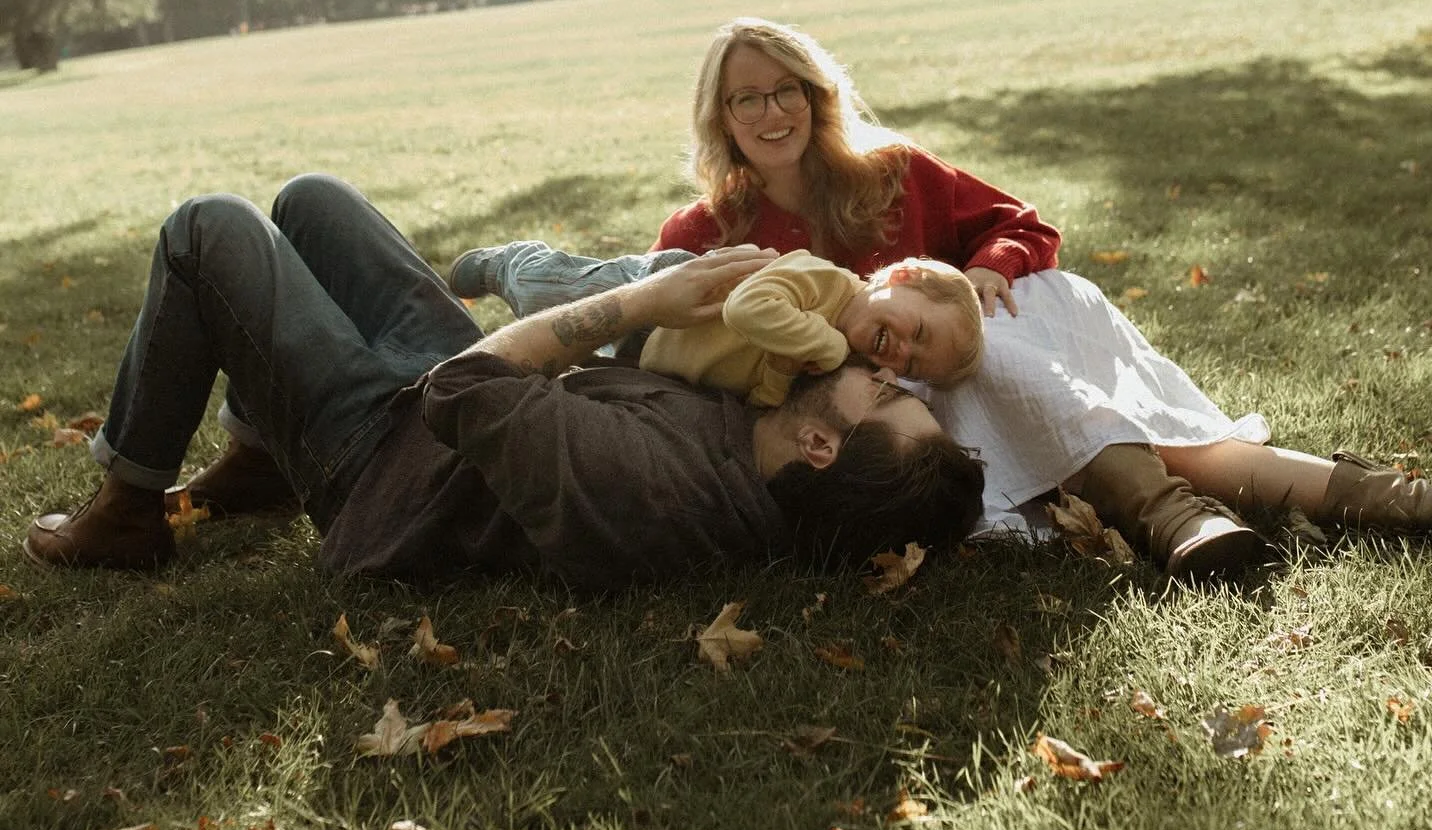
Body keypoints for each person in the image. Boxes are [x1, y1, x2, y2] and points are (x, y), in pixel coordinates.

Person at [450, 17, 1432, 582]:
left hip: (971, 370)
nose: (770, 112)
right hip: (895, 426)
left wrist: (984, 273)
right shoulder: (701, 235)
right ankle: (1214, 509)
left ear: (815, 93)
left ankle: (1255, 513)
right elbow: (709, 389)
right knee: (996, 372)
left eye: (785, 88)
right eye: (745, 100)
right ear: (722, 119)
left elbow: (1023, 227)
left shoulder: (892, 172)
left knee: (1002, 341)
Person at [22, 175, 985, 587]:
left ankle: (126, 512)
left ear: (825, 446)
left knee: (209, 228)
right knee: (312, 202)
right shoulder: (776, 425)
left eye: (892, 400)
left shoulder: (657, 488)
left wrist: (641, 306)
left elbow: (465, 394)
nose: (882, 375)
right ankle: (257, 454)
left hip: (391, 457)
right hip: (460, 397)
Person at [637, 249, 985, 406]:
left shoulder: (844, 363)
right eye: (920, 331)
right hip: (649, 319)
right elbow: (743, 309)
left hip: (663, 384)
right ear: (903, 277)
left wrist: (780, 371)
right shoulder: (821, 278)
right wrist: (827, 345)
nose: (903, 351)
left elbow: (761, 401)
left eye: (910, 367)